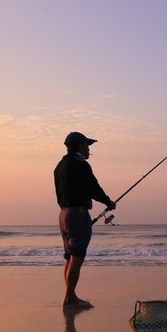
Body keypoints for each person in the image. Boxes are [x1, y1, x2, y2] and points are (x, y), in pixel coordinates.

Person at [54, 131, 116, 309]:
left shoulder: (59, 166)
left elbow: (59, 194)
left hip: (63, 215)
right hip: (77, 214)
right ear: (80, 146)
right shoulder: (81, 165)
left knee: (69, 256)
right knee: (78, 256)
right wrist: (107, 202)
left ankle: (69, 295)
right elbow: (93, 187)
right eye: (87, 145)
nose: (89, 149)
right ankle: (70, 298)